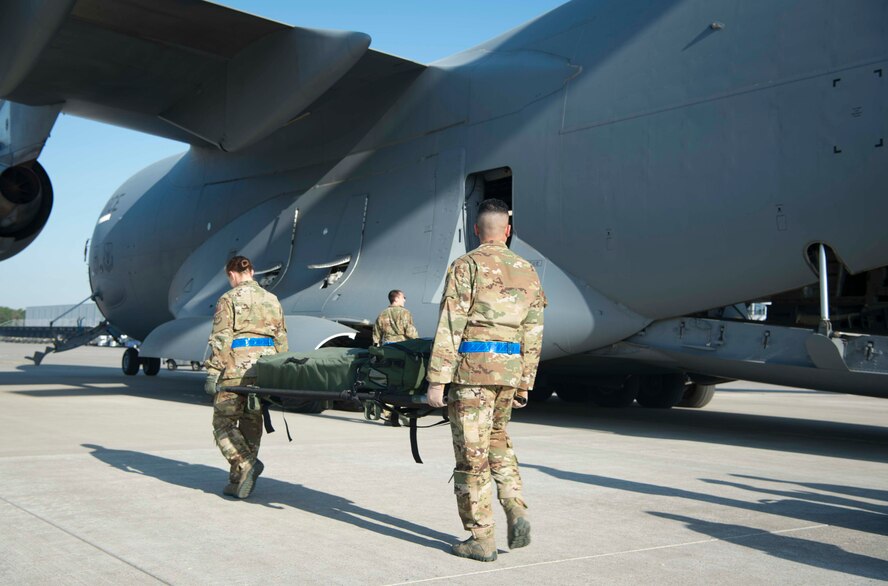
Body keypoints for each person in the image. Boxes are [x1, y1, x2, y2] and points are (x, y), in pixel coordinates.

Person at [426, 198, 546, 562]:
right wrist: (525, 381)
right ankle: (515, 505)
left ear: (476, 230)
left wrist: (437, 379)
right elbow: (534, 331)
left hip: (473, 375)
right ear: (507, 231)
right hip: (509, 372)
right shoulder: (527, 270)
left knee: (471, 456)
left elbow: (451, 323)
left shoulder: (466, 265)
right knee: (498, 441)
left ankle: (481, 538)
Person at [204, 256, 288, 498]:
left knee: (223, 423)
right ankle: (238, 481)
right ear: (252, 271)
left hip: (235, 370)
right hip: (264, 370)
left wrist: (213, 371)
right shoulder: (272, 299)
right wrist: (280, 372)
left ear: (232, 274)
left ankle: (245, 463)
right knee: (252, 423)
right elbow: (281, 338)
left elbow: (222, 338)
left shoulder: (228, 298)